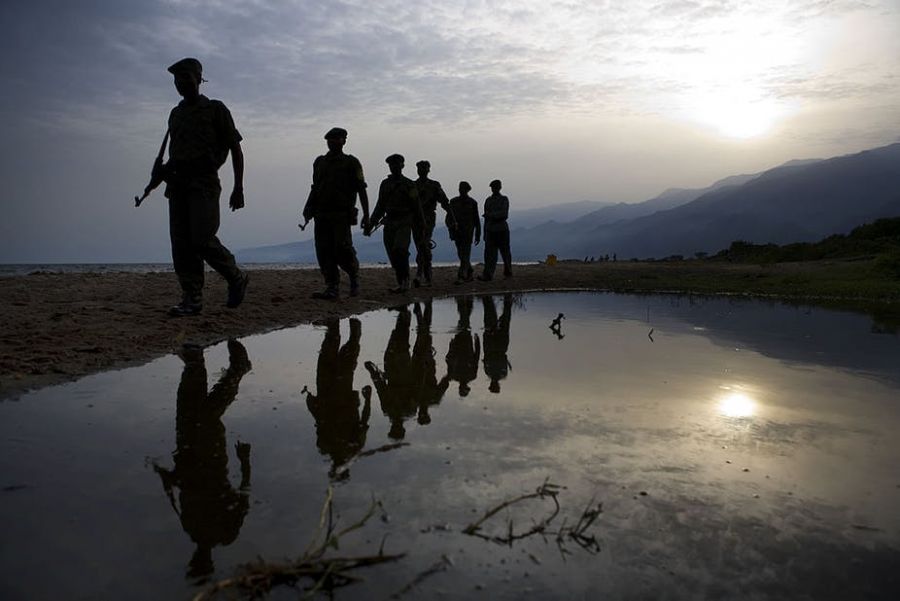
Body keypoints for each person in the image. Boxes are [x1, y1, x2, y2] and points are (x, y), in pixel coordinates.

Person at [152, 339, 253, 579]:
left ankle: (197, 364)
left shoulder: (191, 528)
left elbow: (188, 487)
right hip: (211, 462)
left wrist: (170, 477)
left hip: (186, 455)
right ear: (208, 563)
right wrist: (244, 460)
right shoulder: (225, 534)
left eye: (194, 563)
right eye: (198, 564)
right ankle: (235, 369)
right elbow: (244, 498)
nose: (196, 559)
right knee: (206, 416)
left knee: (188, 410)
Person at [161, 58, 249, 317]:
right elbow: (174, 155)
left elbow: (235, 148)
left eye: (186, 77)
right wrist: (160, 176)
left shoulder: (215, 109)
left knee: (201, 239)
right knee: (181, 245)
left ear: (199, 79)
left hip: (204, 184)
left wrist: (238, 187)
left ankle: (235, 276)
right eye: (177, 79)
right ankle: (192, 298)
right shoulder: (175, 114)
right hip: (177, 186)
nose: (181, 83)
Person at [302, 127, 370, 300]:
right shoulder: (319, 162)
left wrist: (367, 215)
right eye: (330, 140)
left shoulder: (351, 162)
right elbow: (315, 187)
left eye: (337, 139)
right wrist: (308, 207)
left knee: (342, 249)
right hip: (321, 213)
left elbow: (361, 189)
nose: (332, 142)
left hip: (341, 214)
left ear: (344, 141)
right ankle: (332, 286)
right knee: (323, 251)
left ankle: (354, 277)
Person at [303, 318, 371, 480]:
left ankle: (335, 327)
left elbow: (320, 421)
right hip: (341, 396)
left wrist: (311, 402)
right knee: (344, 361)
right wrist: (367, 399)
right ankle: (350, 331)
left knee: (329, 359)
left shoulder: (325, 446)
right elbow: (363, 422)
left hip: (328, 394)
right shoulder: (353, 446)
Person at [365, 154, 424, 293]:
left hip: (404, 221)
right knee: (392, 254)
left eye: (396, 164)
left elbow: (417, 206)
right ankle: (400, 281)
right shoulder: (385, 184)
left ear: (402, 165)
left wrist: (421, 224)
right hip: (389, 222)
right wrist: (371, 223)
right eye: (391, 165)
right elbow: (380, 206)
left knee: (400, 250)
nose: (394, 167)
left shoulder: (409, 184)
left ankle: (405, 281)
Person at [412, 160, 451, 287]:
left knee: (423, 244)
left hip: (428, 219)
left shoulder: (434, 185)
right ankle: (427, 276)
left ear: (428, 170)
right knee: (421, 246)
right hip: (415, 220)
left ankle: (420, 274)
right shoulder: (413, 185)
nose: (422, 170)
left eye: (424, 168)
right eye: (420, 168)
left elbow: (444, 201)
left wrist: (452, 216)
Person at [478, 179, 513, 281]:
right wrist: (484, 232)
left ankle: (508, 272)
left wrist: (491, 215)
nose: (494, 189)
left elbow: (504, 214)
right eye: (493, 187)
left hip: (502, 230)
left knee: (505, 253)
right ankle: (488, 274)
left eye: (496, 187)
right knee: (489, 254)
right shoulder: (488, 200)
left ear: (500, 187)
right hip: (490, 230)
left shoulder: (504, 199)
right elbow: (486, 218)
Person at [447, 181, 481, 284]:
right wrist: (451, 228)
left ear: (467, 190)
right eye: (460, 188)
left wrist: (478, 234)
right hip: (457, 232)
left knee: (465, 254)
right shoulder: (453, 202)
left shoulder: (472, 203)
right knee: (461, 254)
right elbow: (448, 218)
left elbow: (476, 220)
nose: (461, 190)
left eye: (463, 188)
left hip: (468, 232)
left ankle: (461, 276)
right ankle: (469, 271)